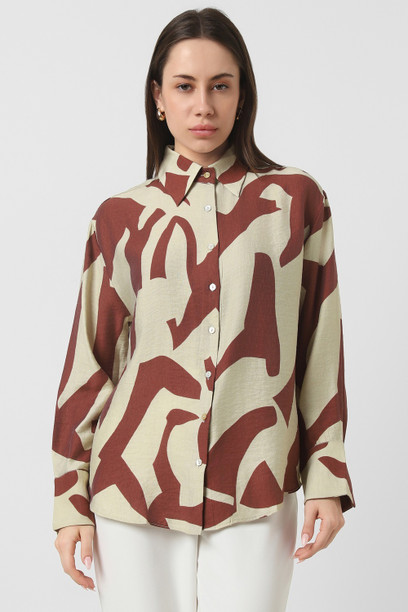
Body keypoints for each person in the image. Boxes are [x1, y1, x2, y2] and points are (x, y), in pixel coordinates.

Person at [51, 7, 355, 611]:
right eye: (185, 87)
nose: (203, 107)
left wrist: (327, 474)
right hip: (132, 488)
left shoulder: (296, 200)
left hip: (257, 482)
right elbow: (90, 362)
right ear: (158, 98)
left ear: (243, 96)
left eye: (221, 86)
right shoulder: (119, 217)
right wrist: (69, 501)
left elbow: (320, 348)